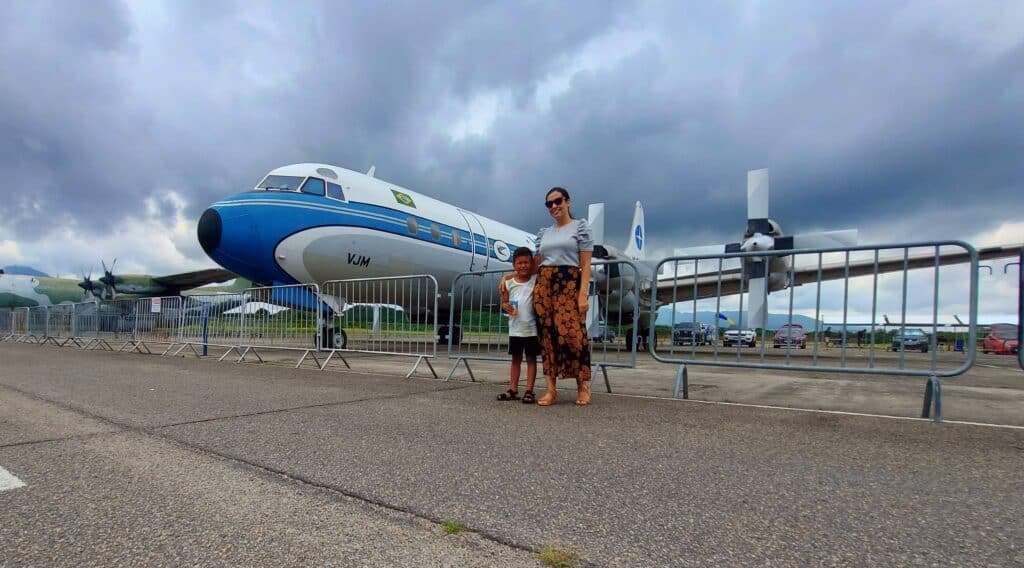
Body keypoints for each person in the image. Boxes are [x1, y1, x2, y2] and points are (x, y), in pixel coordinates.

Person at [502, 187, 594, 406]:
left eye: (558, 201)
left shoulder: (580, 227)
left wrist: (583, 294)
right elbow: (535, 267)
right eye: (549, 204)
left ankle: (583, 385)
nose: (554, 206)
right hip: (544, 287)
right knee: (547, 339)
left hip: (568, 283)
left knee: (574, 336)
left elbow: (586, 264)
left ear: (568, 201)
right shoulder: (544, 233)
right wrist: (508, 276)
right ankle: (551, 389)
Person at [497, 247, 540, 404]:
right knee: (515, 359)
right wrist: (505, 306)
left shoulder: (535, 278)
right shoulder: (508, 283)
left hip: (532, 329)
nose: (523, 266)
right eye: (519, 263)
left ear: (531, 263)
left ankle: (529, 390)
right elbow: (505, 302)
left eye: (526, 262)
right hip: (515, 329)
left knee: (531, 359)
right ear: (514, 264)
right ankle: (513, 389)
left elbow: (539, 261)